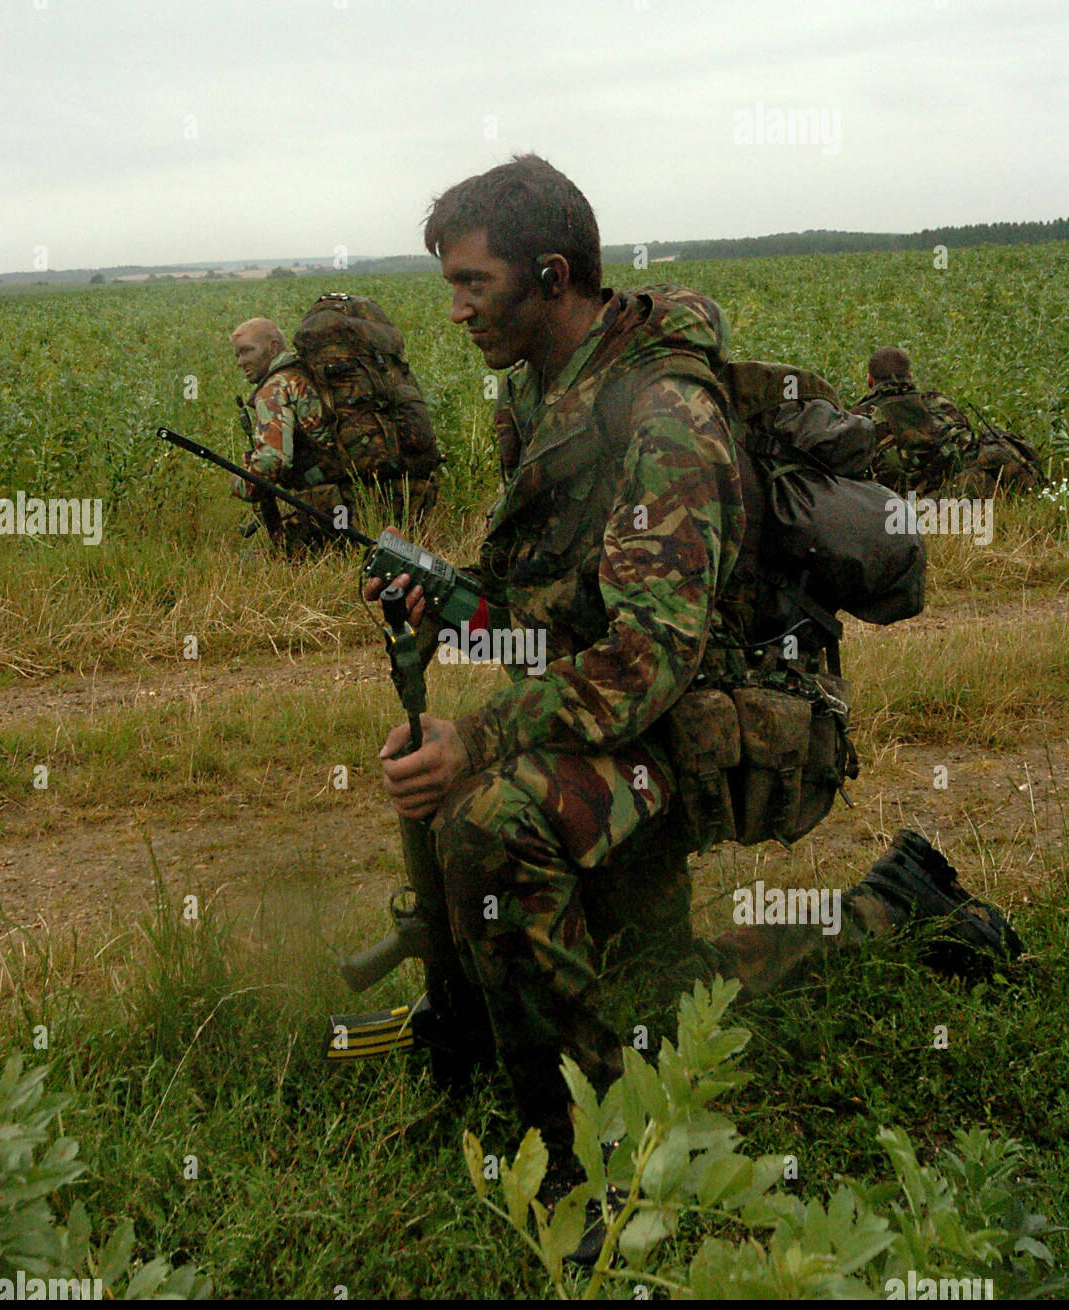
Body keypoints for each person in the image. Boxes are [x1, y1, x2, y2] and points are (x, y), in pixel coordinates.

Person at [367, 157, 1020, 1253]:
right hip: (651, 714)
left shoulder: (665, 415)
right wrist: (456, 612)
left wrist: (475, 737)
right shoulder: (548, 394)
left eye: (474, 283)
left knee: (491, 819)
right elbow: (565, 612)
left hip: (730, 720)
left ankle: (592, 1164)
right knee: (654, 992)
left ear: (552, 273)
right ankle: (888, 909)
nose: (456, 308)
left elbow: (644, 661)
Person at [231, 314, 437, 554]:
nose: (240, 361)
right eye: (237, 354)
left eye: (247, 351)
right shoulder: (315, 373)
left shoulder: (275, 387)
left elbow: (272, 462)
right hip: (403, 492)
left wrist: (240, 484)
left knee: (259, 560)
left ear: (273, 347)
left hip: (342, 506)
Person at [851, 347, 1042, 497]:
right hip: (953, 493)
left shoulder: (858, 417)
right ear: (910, 377)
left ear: (870, 380)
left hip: (893, 505)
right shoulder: (938, 401)